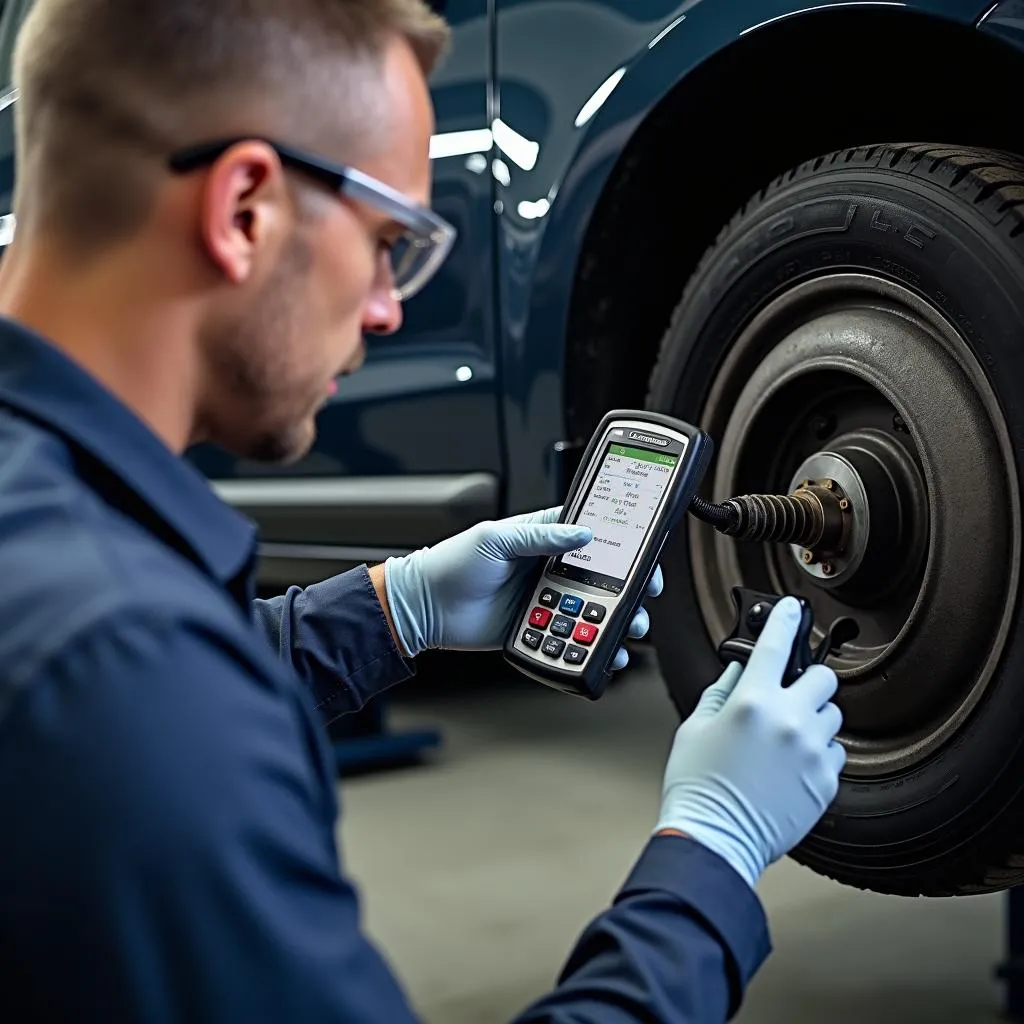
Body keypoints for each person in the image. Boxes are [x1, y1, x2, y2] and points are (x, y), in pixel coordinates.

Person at [0, 0, 846, 1021]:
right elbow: (142, 698)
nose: (389, 311)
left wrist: (398, 606)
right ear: (243, 211)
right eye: (391, 242)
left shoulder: (63, 571)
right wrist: (708, 858)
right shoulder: (129, 671)